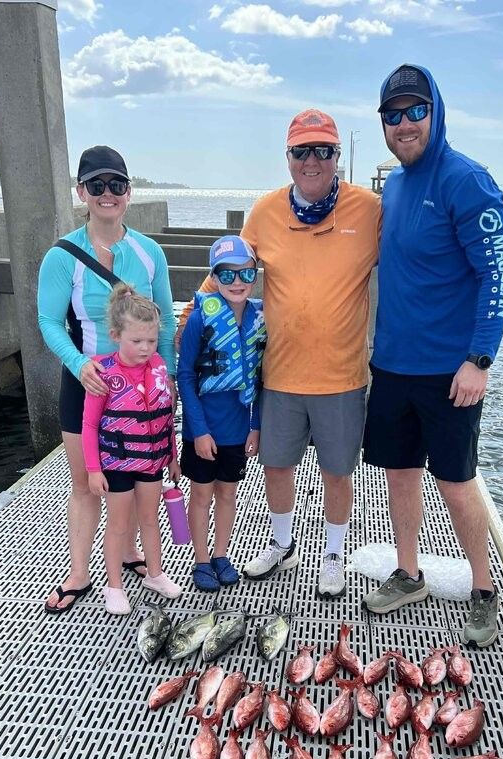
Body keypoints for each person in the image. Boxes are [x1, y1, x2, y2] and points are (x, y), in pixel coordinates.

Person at [176, 110, 380, 598]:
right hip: (280, 374)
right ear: (288, 157)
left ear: (338, 156)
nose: (312, 160)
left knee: (337, 471)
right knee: (276, 465)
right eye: (301, 151)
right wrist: (190, 317)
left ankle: (333, 553)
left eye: (323, 150)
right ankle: (283, 544)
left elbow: (415, 261)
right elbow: (229, 272)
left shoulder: (371, 209)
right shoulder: (265, 212)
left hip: (342, 375)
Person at [362, 63, 503, 648]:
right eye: (393, 115)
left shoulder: (466, 180)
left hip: (451, 373)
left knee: (455, 482)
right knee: (399, 476)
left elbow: (498, 275)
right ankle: (409, 572)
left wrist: (480, 358)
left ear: (435, 112)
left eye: (415, 111)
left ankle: (482, 590)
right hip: (392, 367)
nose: (404, 124)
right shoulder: (394, 187)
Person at [38, 145, 176, 613]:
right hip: (88, 383)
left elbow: (167, 325)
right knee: (87, 483)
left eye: (116, 184)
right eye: (96, 185)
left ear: (128, 192)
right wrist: (79, 363)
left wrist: (168, 378)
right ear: (82, 192)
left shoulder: (149, 251)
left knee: (139, 475)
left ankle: (134, 553)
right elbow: (49, 321)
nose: (107, 194)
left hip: (141, 385)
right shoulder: (62, 256)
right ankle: (79, 573)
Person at [82, 285, 182, 613]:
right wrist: (94, 470)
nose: (145, 348)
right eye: (136, 341)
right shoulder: (103, 375)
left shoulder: (158, 369)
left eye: (151, 341)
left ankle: (155, 574)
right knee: (119, 525)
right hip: (116, 464)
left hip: (152, 463)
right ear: (115, 335)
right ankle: (114, 587)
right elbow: (90, 426)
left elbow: (166, 418)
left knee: (151, 520)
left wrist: (172, 457)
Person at [177, 235, 265, 591]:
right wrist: (198, 430)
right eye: (226, 275)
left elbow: (261, 379)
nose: (237, 282)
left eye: (245, 274)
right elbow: (185, 375)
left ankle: (221, 554)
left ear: (255, 274)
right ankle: (200, 559)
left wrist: (255, 427)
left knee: (227, 494)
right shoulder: (201, 318)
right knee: (200, 494)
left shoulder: (262, 319)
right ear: (213, 277)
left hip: (237, 431)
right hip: (203, 431)